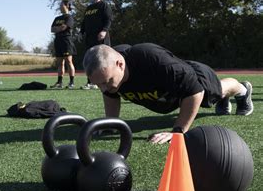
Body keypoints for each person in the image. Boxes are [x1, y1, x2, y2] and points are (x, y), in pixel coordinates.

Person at [83, 43, 254, 144]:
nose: (104, 89)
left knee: (214, 93)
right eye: (99, 85)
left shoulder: (152, 59)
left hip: (195, 79)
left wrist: (178, 131)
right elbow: (110, 95)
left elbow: (195, 91)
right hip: (168, 93)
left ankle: (242, 90)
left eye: (106, 82)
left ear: (120, 64)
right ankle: (224, 98)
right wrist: (112, 123)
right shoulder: (110, 71)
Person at [80, 0, 113, 89]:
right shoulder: (88, 8)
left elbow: (109, 19)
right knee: (90, 60)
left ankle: (105, 80)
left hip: (101, 37)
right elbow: (84, 22)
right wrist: (81, 32)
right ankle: (90, 82)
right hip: (90, 39)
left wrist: (104, 30)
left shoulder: (104, 5)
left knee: (102, 59)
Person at [50, 0, 76, 89]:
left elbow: (64, 27)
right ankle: (59, 82)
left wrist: (59, 28)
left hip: (66, 41)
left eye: (61, 5)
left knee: (69, 61)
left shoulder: (69, 18)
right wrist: (59, 28)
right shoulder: (57, 18)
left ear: (67, 6)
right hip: (58, 41)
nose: (60, 7)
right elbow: (52, 29)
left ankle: (71, 82)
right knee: (60, 63)